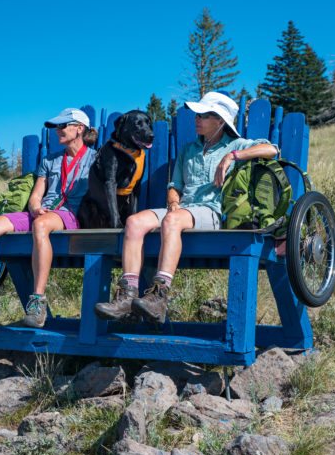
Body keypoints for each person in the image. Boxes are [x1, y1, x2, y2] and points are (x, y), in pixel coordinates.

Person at [94, 92, 279, 323]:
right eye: (197, 115)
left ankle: (159, 296)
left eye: (204, 115)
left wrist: (232, 156)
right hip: (183, 211)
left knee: (172, 221)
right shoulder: (189, 150)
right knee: (134, 222)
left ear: (220, 120)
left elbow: (271, 150)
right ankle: (128, 295)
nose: (197, 119)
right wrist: (173, 202)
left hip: (212, 212)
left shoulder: (235, 144)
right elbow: (175, 186)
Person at [0, 108, 98, 328]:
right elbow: (36, 195)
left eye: (62, 126)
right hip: (43, 212)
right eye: (55, 127)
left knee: (41, 225)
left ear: (79, 129)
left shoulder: (95, 159)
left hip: (70, 214)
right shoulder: (50, 161)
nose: (57, 130)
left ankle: (37, 301)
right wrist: (34, 207)